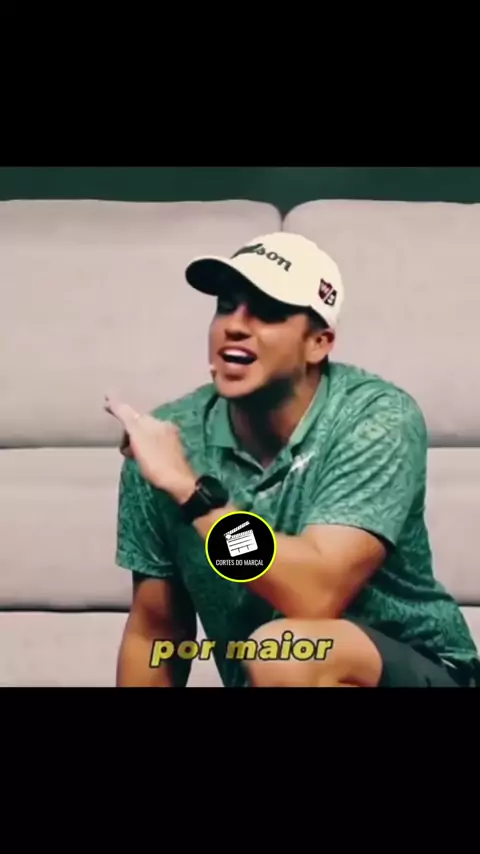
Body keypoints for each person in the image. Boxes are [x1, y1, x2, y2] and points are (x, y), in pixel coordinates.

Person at [107, 231, 480, 688]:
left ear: (318, 343)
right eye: (226, 305)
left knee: (285, 653)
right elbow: (156, 632)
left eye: (268, 312)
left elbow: (314, 594)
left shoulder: (375, 419)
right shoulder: (166, 442)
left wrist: (193, 495)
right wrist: (173, 479)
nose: (235, 326)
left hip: (422, 673)